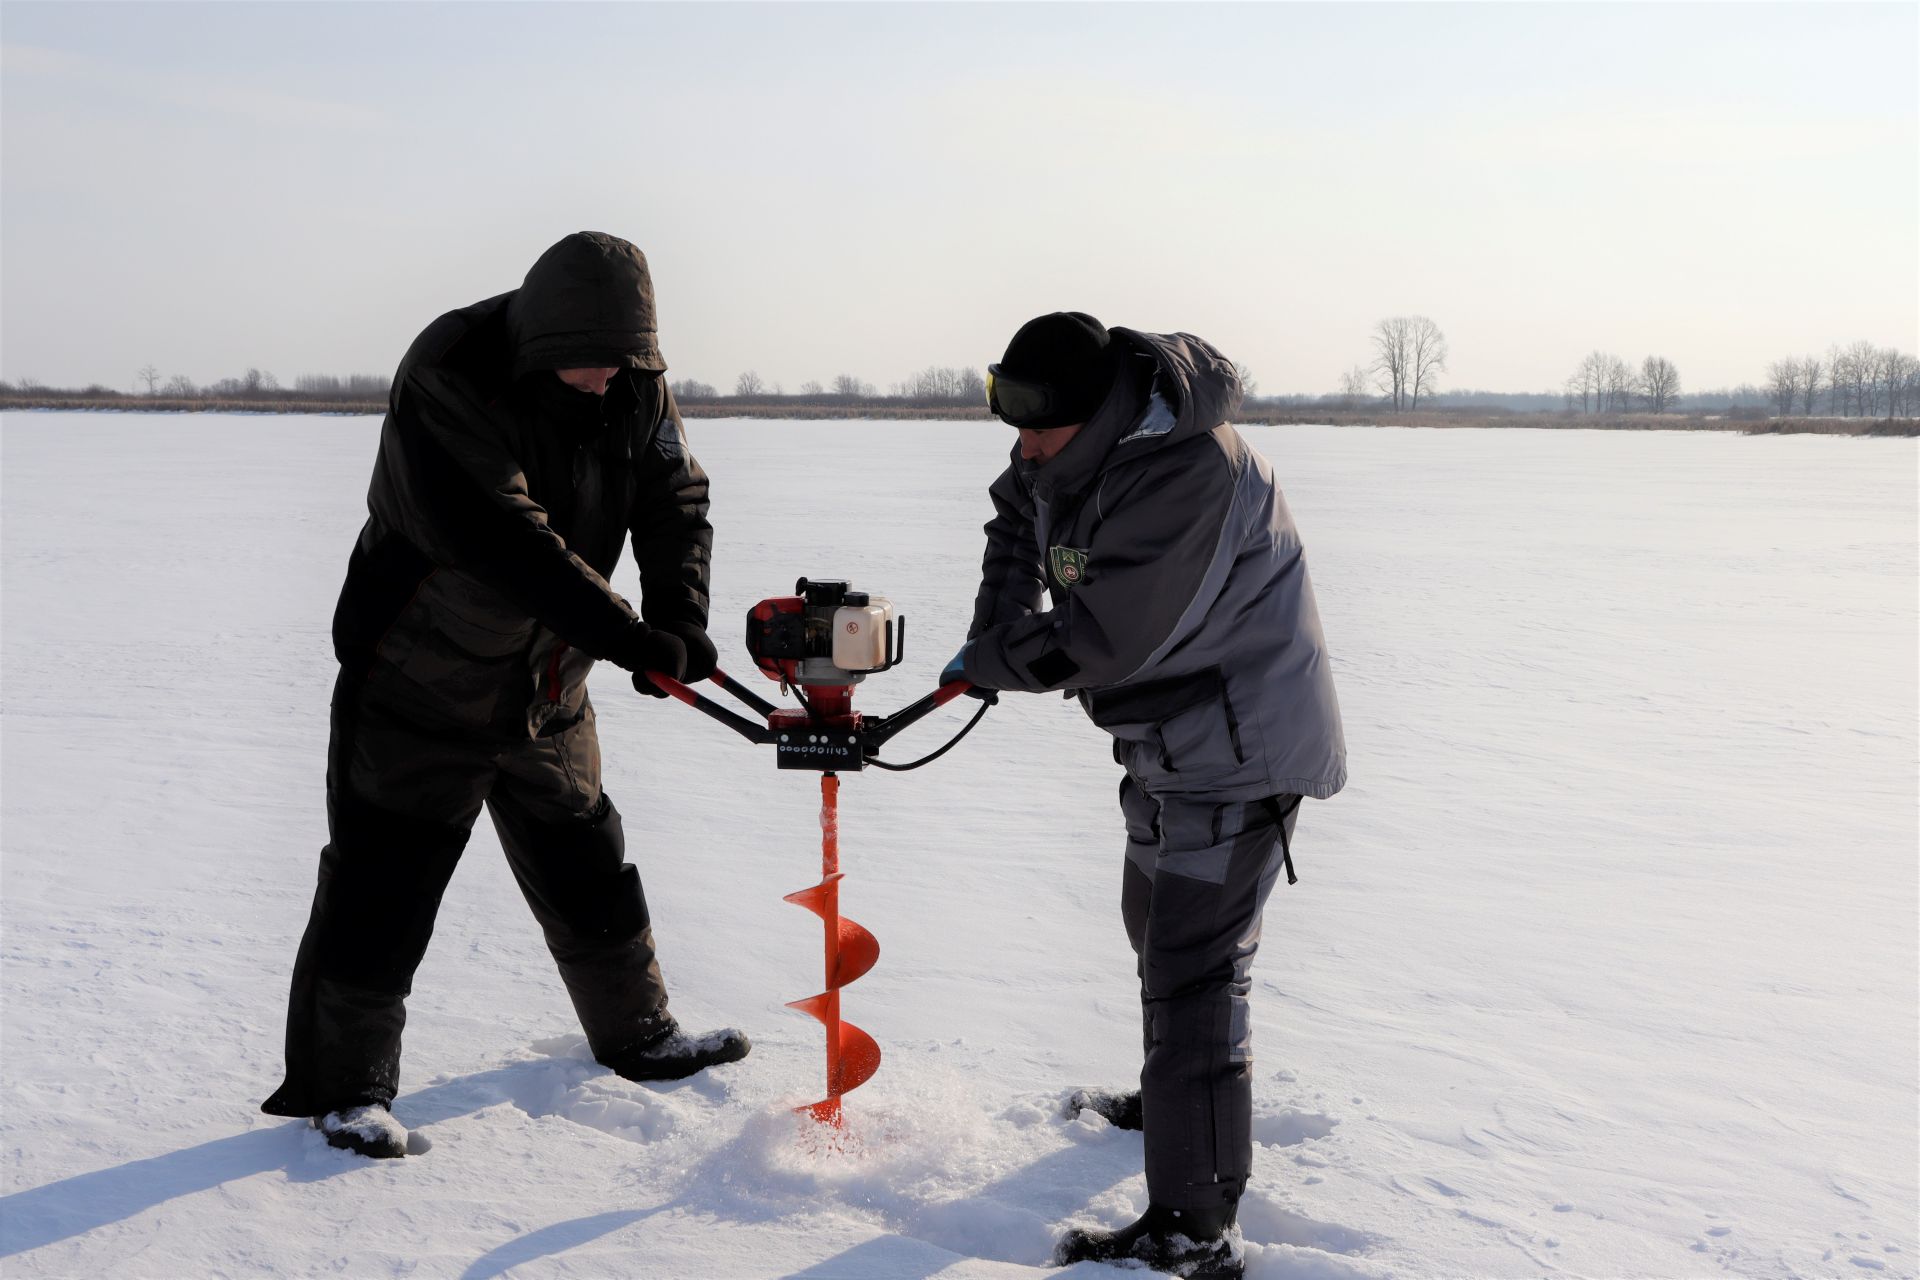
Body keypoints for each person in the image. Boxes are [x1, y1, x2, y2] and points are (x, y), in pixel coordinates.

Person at [262, 231, 749, 1159]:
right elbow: (502, 538)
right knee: (383, 883)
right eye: (589, 366)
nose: (607, 381)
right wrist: (623, 635)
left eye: (623, 364)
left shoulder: (633, 377)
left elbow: (674, 495)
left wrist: (679, 618)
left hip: (547, 682)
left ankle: (639, 1036)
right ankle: (346, 1091)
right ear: (542, 343)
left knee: (587, 856)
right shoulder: (450, 370)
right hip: (419, 679)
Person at [943, 312, 1346, 1278]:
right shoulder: (1073, 442)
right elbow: (1017, 514)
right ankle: (1175, 1105)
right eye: (1014, 416)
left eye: (1042, 425)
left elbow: (1106, 636)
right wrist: (994, 631)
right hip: (1168, 738)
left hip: (1237, 744)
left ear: (1105, 413)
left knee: (1194, 972)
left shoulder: (1188, 471)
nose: (1026, 442)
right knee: (1151, 922)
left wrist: (1002, 658)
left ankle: (1193, 1226)